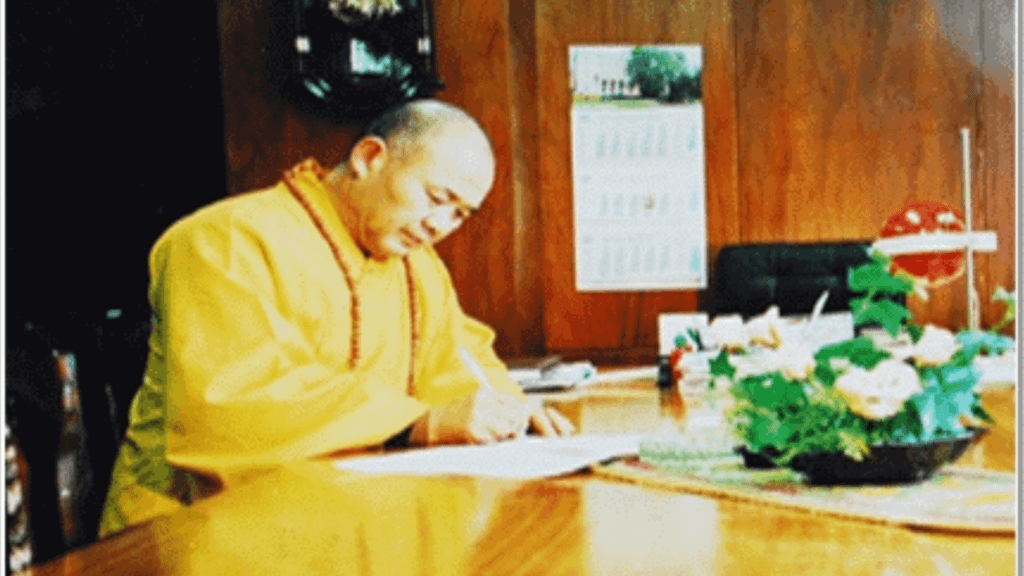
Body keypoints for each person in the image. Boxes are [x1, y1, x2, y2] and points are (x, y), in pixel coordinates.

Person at [99, 99, 574, 537]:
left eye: (460, 214)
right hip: (189, 530)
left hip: (345, 517)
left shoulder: (417, 266)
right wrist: (414, 422)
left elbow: (458, 359)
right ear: (370, 157)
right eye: (435, 197)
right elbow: (231, 405)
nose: (439, 225)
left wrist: (507, 411)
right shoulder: (223, 241)